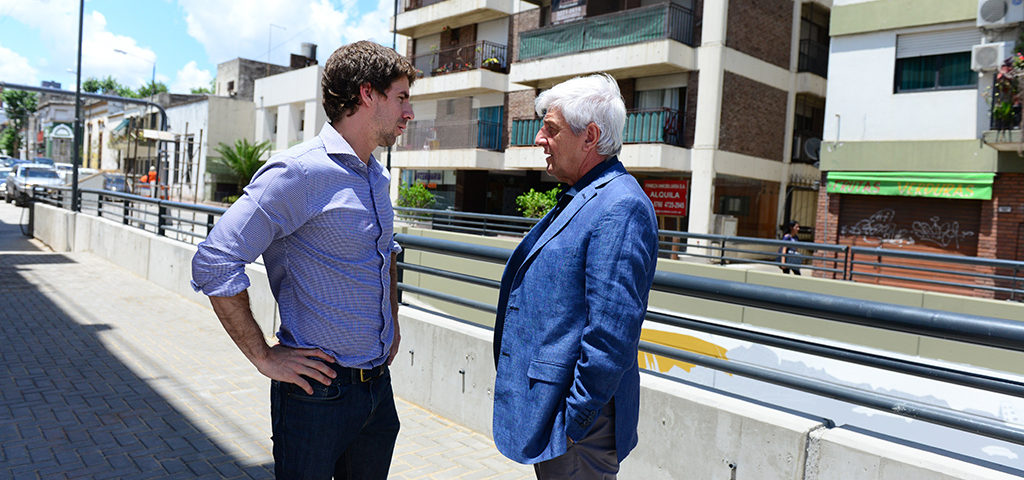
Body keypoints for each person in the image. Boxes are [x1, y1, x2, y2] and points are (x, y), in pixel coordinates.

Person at [190, 40, 415, 479]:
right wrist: (263, 356)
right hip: (316, 395)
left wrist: (392, 322)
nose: (409, 113)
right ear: (367, 94)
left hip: (376, 393)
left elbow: (385, 252)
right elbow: (215, 260)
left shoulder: (377, 175)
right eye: (402, 97)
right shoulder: (297, 172)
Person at [491, 74, 659, 479]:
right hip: (560, 419)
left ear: (590, 137)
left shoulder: (621, 206)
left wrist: (574, 423)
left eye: (551, 128)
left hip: (582, 431)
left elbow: (611, 333)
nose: (538, 139)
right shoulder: (588, 196)